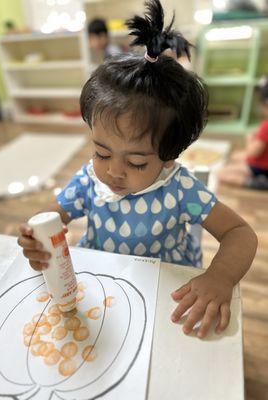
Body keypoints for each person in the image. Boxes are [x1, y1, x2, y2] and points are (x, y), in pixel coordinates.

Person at [18, 0, 257, 339]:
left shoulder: (180, 191)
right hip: (102, 291)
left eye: (136, 162)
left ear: (169, 156)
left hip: (166, 294)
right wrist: (36, 238)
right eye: (102, 153)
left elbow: (240, 234)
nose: (114, 171)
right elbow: (51, 216)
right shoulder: (89, 181)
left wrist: (220, 276)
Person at [218, 76, 268, 190]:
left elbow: (253, 152)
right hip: (263, 164)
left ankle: (254, 183)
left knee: (221, 172)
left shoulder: (266, 126)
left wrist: (249, 139)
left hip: (261, 168)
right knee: (235, 156)